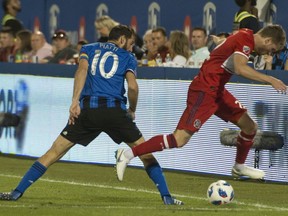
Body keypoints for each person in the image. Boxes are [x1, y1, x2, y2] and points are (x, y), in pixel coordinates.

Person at [0, 25, 183, 205]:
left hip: (88, 112)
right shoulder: (128, 57)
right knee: (145, 153)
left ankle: (16, 192)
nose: (131, 47)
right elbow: (133, 87)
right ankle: (166, 197)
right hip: (115, 113)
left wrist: (74, 101)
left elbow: (81, 71)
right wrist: (132, 109)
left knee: (54, 152)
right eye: (130, 42)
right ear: (121, 39)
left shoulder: (88, 48)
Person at [116, 24, 287, 182]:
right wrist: (270, 79)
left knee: (249, 127)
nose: (269, 54)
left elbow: (228, 45)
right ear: (267, 40)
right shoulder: (245, 39)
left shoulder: (244, 35)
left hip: (217, 90)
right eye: (271, 50)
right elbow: (241, 68)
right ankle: (128, 153)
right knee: (179, 139)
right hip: (204, 90)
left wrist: (221, 42)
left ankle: (239, 167)